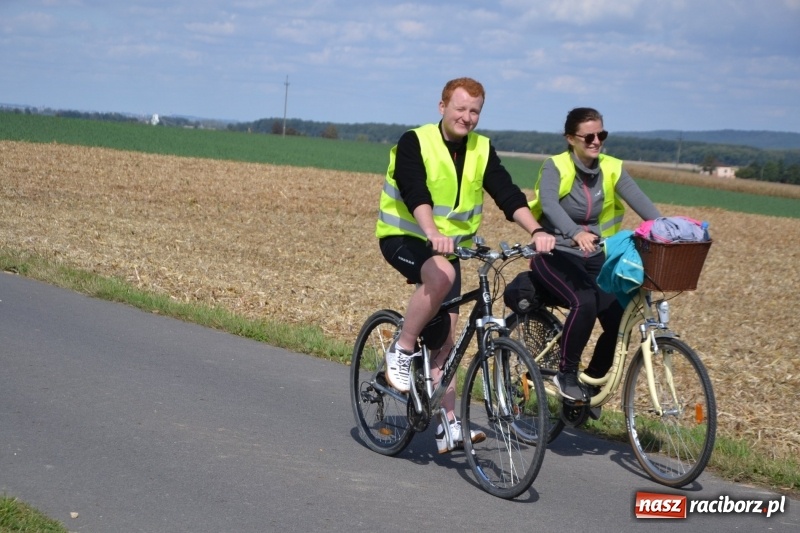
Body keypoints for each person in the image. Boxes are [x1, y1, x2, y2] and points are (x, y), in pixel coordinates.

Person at [375, 77, 556, 453]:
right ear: (442, 107)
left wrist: (537, 229)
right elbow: (414, 191)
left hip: (451, 250)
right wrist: (431, 232)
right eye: (460, 108)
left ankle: (448, 425)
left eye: (474, 111)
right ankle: (403, 348)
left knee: (447, 342)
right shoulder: (416, 141)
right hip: (404, 237)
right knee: (440, 273)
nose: (467, 117)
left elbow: (506, 193)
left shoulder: (481, 149)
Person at [528, 107, 662, 402]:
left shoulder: (611, 167)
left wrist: (668, 229)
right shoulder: (556, 166)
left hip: (595, 256)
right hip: (555, 254)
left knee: (619, 320)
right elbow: (549, 204)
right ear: (570, 139)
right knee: (585, 301)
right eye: (588, 136)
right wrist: (574, 233)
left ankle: (588, 389)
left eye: (601, 134)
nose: (596, 141)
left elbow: (642, 203)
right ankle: (566, 374)